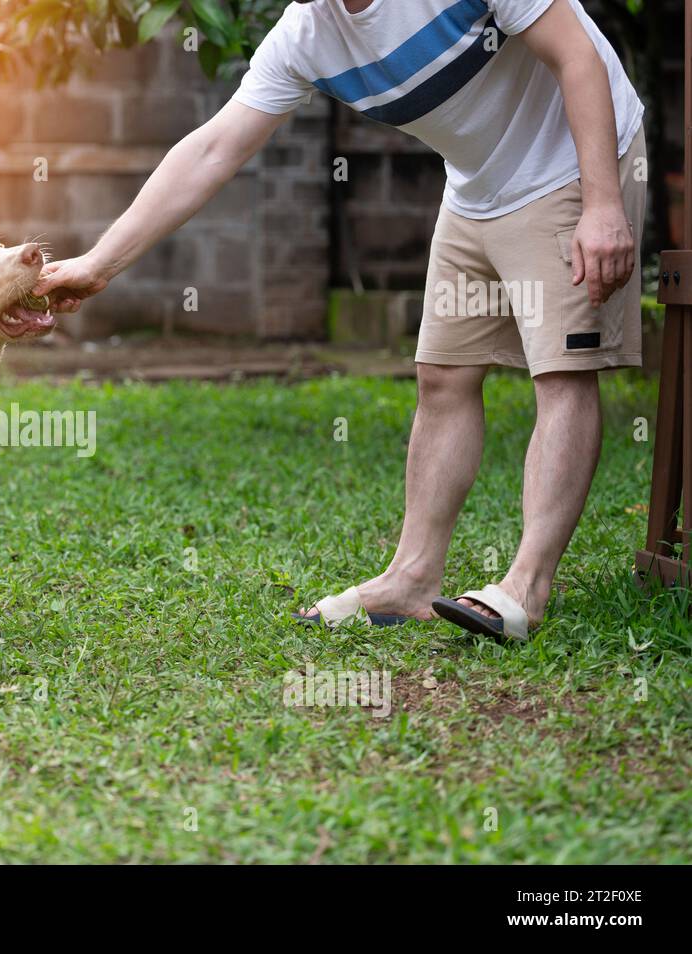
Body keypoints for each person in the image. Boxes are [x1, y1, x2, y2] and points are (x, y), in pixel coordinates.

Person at [33, 0, 646, 641]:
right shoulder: (307, 33)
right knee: (442, 377)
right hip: (475, 188)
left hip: (571, 162)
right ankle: (413, 576)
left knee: (564, 372)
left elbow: (577, 56)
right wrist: (101, 264)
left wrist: (604, 203)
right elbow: (213, 149)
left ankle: (527, 586)